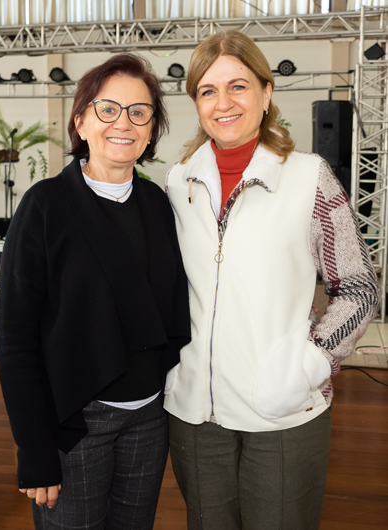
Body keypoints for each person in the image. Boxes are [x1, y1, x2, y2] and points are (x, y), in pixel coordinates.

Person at [164, 31, 380, 530]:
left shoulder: (308, 176)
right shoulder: (177, 182)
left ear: (266, 92)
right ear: (196, 103)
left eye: (238, 86)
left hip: (283, 410)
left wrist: (309, 364)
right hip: (194, 415)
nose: (223, 103)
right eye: (208, 90)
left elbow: (359, 286)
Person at [0, 53, 191, 530]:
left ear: (151, 130)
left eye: (139, 112)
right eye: (107, 109)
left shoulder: (157, 204)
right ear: (81, 121)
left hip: (149, 418)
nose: (123, 122)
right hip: (76, 422)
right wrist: (34, 450)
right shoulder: (44, 205)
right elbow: (14, 340)